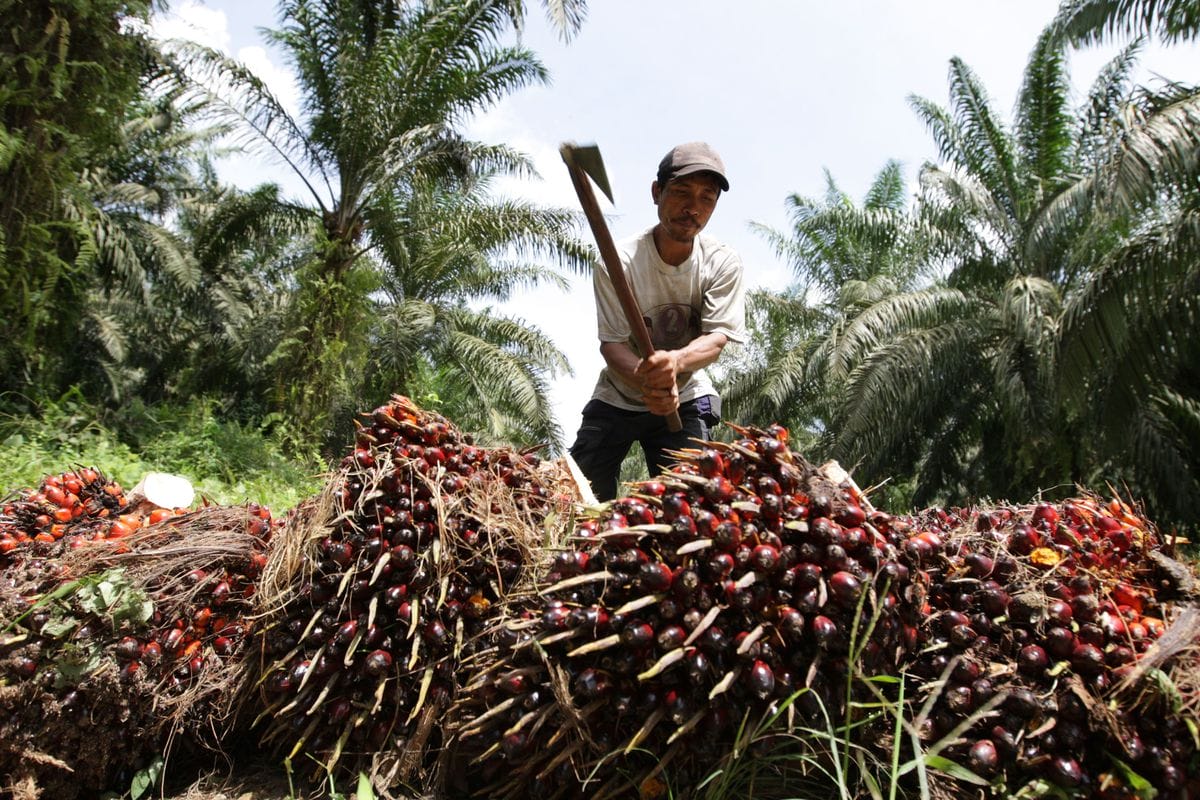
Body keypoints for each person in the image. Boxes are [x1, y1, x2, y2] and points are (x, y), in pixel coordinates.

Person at [569, 141, 746, 502]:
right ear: (656, 192)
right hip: (619, 393)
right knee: (579, 496)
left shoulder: (722, 263)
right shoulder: (618, 262)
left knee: (691, 504)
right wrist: (645, 376)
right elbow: (612, 343)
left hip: (686, 395)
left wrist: (675, 363)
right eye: (681, 193)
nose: (692, 208)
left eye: (706, 198)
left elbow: (716, 339)